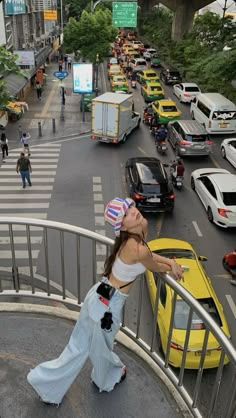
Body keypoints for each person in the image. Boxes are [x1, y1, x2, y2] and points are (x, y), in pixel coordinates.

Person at [27, 197, 183, 407]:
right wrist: (171, 266)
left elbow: (151, 256)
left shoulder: (131, 242)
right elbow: (152, 264)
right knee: (96, 349)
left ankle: (46, 382)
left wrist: (170, 261)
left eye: (131, 208)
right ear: (123, 226)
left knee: (78, 347)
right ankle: (104, 378)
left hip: (99, 297)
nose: (133, 212)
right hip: (108, 308)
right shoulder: (137, 248)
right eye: (126, 214)